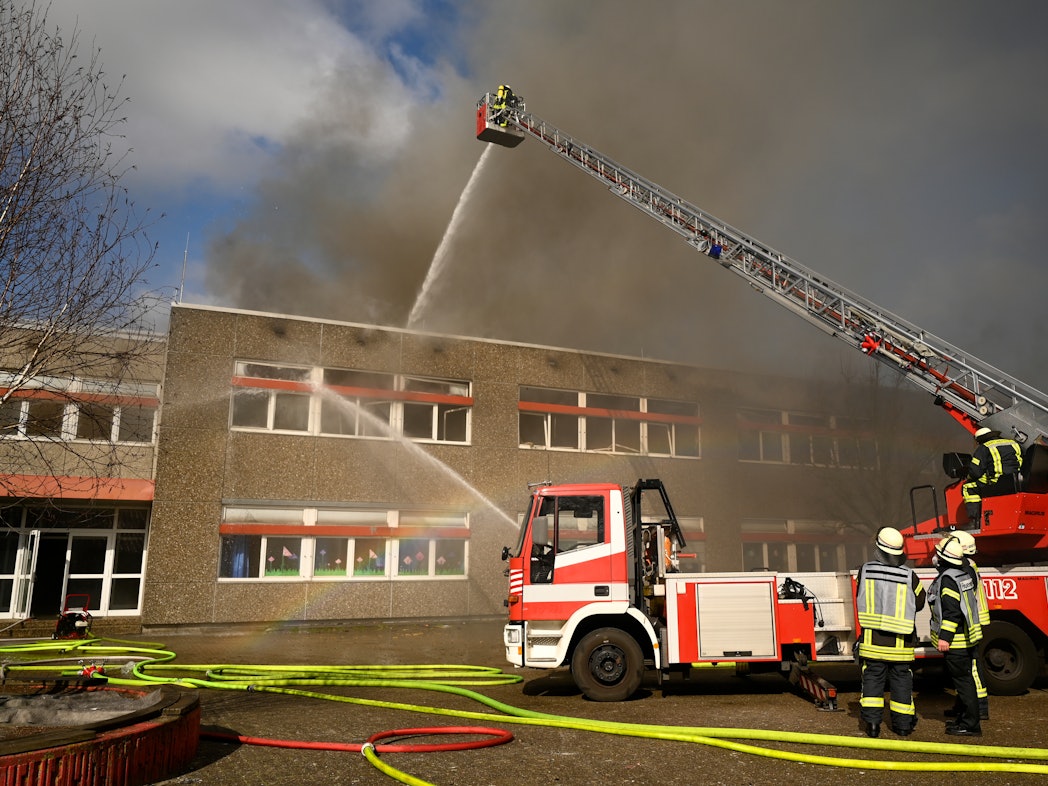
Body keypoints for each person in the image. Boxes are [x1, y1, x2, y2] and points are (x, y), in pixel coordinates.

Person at [854, 526, 925, 738]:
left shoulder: (865, 571)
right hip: (901, 644)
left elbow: (860, 595)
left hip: (872, 641)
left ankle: (872, 726)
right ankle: (902, 726)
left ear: (879, 548)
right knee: (901, 682)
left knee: (872, 680)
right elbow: (920, 603)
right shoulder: (909, 575)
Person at [928, 535, 984, 736]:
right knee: (964, 681)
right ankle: (963, 718)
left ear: (943, 558)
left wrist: (945, 637)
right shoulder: (961, 575)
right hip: (966, 638)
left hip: (957, 641)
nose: (935, 557)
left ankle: (971, 725)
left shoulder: (948, 579)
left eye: (938, 554)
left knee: (964, 682)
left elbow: (952, 613)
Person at [947, 530, 990, 721]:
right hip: (972, 621)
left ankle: (980, 707)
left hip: (969, 624)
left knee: (971, 666)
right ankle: (963, 705)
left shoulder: (965, 568)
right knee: (964, 668)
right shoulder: (968, 565)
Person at [962, 427, 1022, 526]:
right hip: (1017, 481)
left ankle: (976, 521)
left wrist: (968, 476)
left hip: (997, 483)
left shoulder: (984, 448)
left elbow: (975, 472)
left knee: (968, 487)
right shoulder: (1012, 443)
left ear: (979, 440)